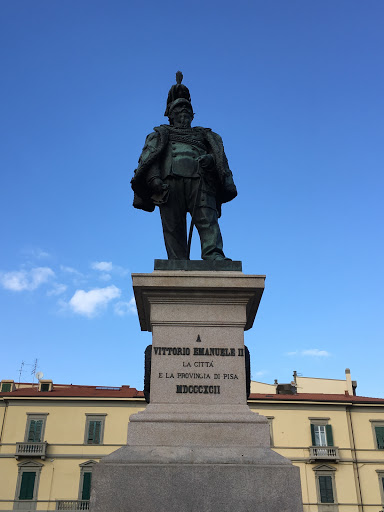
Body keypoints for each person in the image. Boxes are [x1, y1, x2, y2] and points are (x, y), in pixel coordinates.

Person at [131, 72, 237, 260]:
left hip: (201, 181)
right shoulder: (160, 134)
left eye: (187, 112)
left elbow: (218, 158)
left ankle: (213, 254)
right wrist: (154, 179)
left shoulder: (204, 136)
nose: (183, 115)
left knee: (207, 219)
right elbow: (150, 158)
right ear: (171, 116)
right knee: (173, 225)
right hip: (169, 183)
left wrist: (211, 161)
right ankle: (177, 260)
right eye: (179, 112)